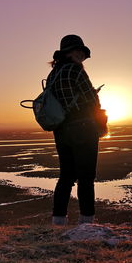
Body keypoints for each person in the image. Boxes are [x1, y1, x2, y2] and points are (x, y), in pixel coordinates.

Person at [47, 34, 106, 226]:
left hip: (61, 130)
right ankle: (87, 222)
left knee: (66, 176)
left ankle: (58, 220)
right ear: (69, 53)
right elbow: (92, 100)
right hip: (83, 128)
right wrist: (101, 122)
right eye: (78, 51)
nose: (81, 55)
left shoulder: (53, 74)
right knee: (86, 177)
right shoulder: (75, 70)